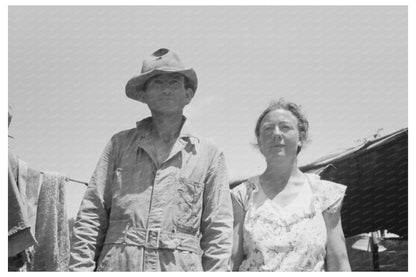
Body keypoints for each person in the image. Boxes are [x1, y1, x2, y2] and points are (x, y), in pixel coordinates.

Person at [69, 48, 233, 271]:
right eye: (157, 83)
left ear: (188, 95)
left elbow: (218, 230)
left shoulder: (209, 153)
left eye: (174, 82)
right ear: (144, 95)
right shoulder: (119, 144)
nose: (166, 89)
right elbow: (92, 213)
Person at [231, 99, 351, 271]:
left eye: (285, 127)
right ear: (259, 141)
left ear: (301, 138)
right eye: (268, 128)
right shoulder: (242, 196)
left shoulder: (325, 195)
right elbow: (231, 261)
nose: (276, 133)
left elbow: (340, 263)